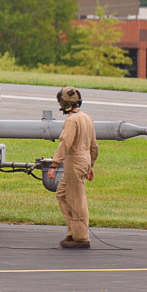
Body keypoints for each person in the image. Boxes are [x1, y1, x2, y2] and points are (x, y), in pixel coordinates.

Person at [48, 86, 98, 249]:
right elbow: (94, 145)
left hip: (74, 162)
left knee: (77, 200)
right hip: (84, 160)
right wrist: (91, 165)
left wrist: (54, 165)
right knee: (62, 194)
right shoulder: (87, 117)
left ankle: (81, 237)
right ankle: (72, 232)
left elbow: (65, 143)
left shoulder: (71, 120)